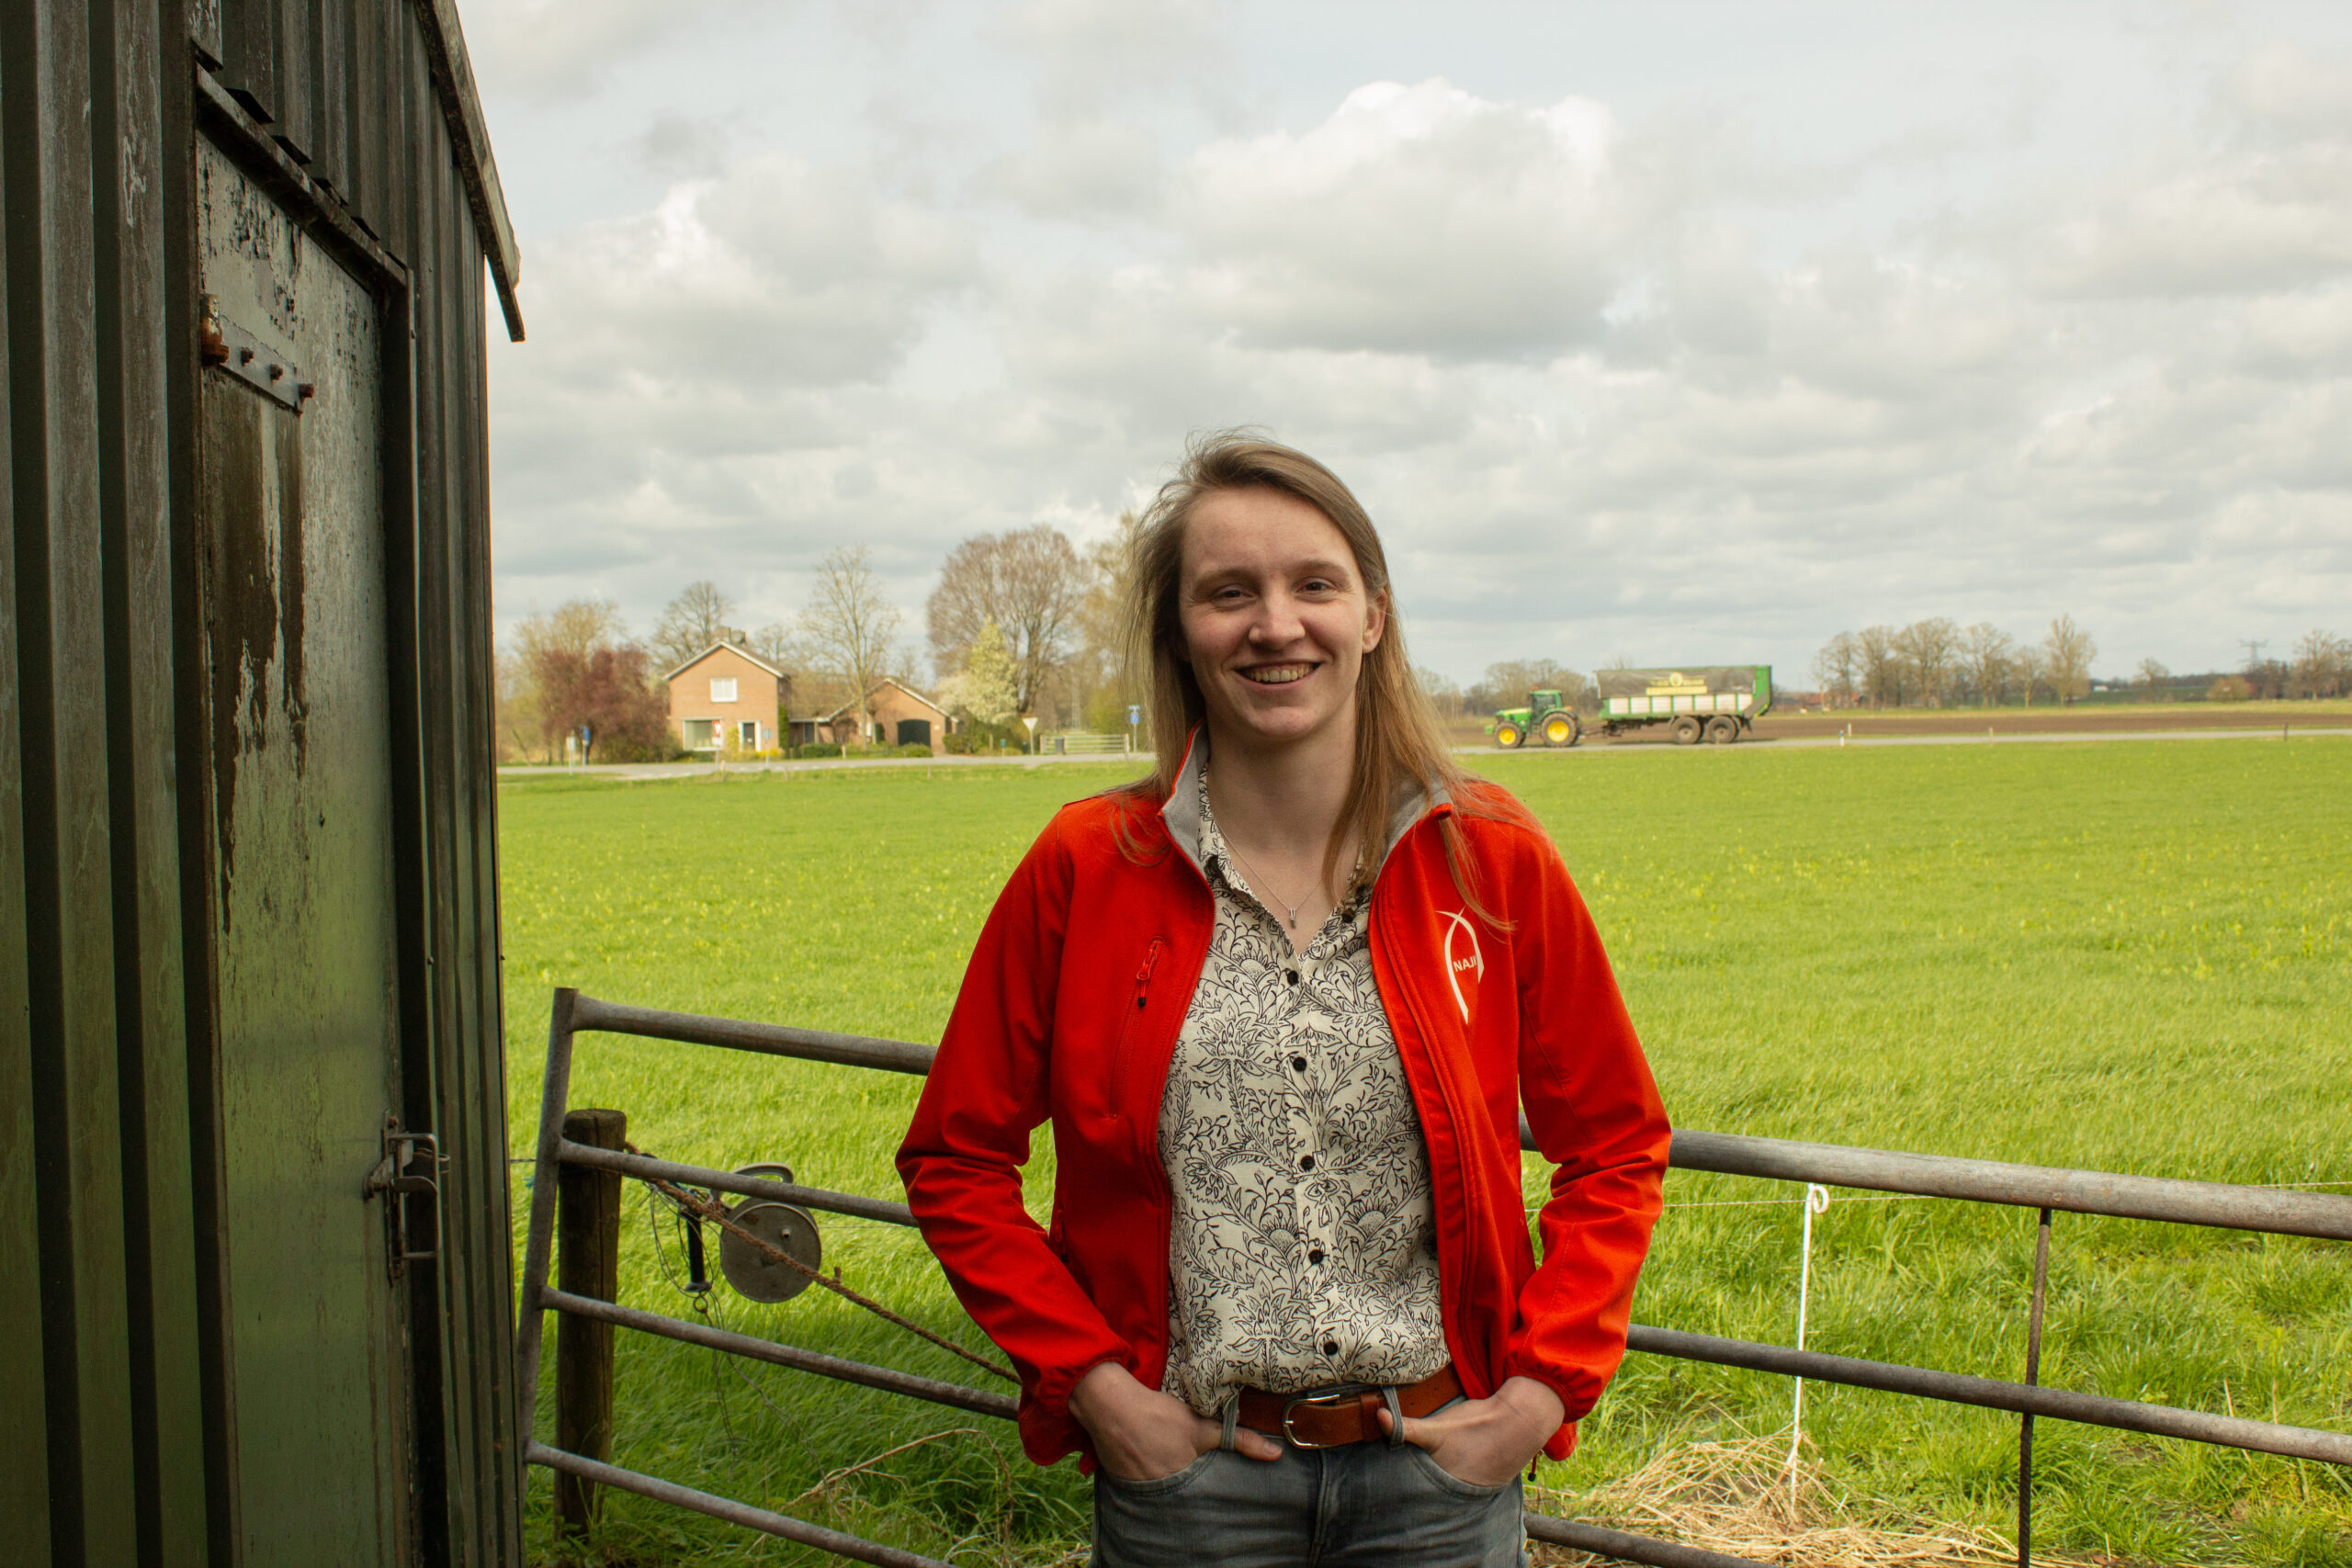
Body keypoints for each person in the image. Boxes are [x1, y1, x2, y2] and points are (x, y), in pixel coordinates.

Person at [898, 433, 1669, 1567]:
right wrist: (1096, 1388)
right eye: (1227, 593)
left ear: (1372, 615)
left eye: (1314, 583)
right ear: (1180, 631)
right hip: (1188, 1488)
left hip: (1438, 1480)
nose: (1274, 623)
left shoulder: (1490, 861)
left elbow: (1615, 1144)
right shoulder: (1085, 868)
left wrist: (1539, 1396)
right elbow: (955, 1160)